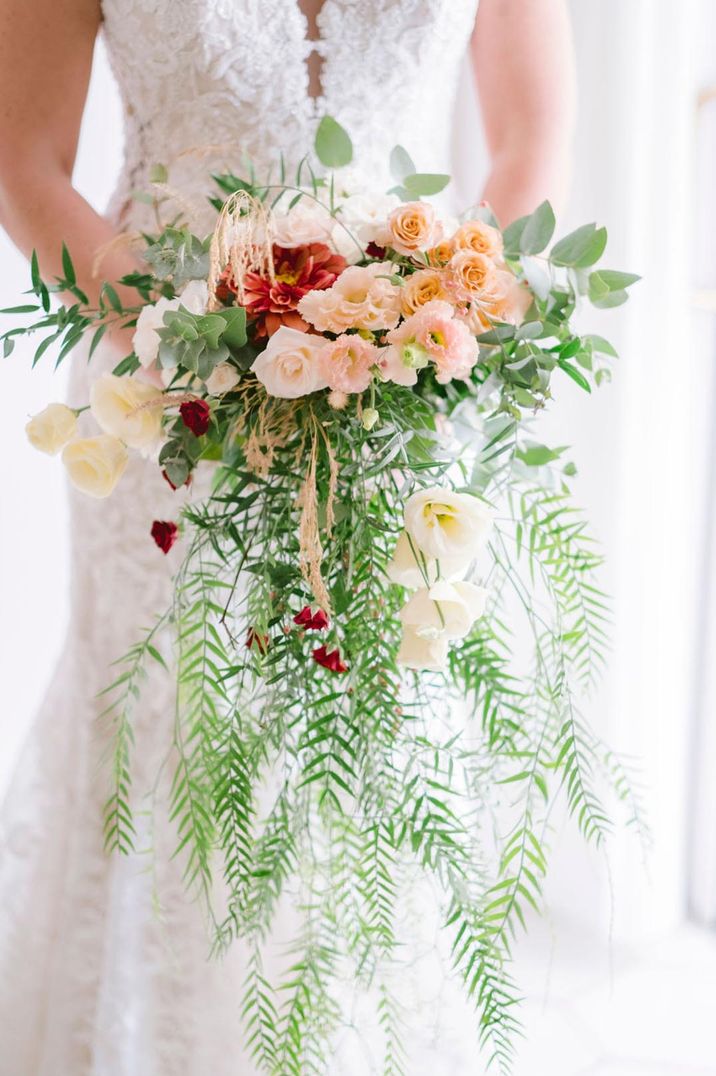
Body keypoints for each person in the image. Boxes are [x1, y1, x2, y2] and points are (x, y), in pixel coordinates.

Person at [0, 2, 576, 1072]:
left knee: (376, 733)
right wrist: (192, 345)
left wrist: (433, 328)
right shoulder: (176, 361)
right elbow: (24, 155)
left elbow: (529, 135)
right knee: (168, 712)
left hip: (401, 388)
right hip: (166, 401)